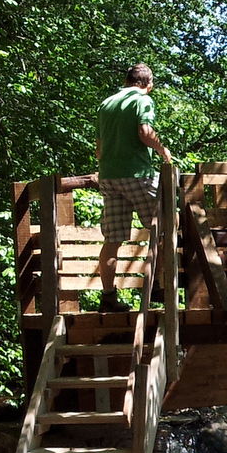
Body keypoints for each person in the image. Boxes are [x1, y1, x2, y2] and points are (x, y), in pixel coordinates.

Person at [95, 63, 172, 312]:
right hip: (138, 175)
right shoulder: (142, 100)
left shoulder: (106, 104)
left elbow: (99, 148)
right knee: (164, 226)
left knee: (112, 239)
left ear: (127, 81)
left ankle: (108, 297)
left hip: (108, 176)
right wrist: (163, 151)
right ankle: (158, 285)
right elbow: (145, 132)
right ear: (148, 84)